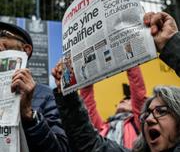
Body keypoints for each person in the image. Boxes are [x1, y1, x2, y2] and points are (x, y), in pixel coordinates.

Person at [52, 11, 180, 152]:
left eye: (160, 111)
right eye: (146, 114)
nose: (149, 118)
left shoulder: (135, 121)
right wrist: (69, 85)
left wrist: (169, 43)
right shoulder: (103, 126)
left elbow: (137, 87)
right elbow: (87, 139)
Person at [0, 21, 70, 152]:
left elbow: (60, 148)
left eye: (3, 34)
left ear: (26, 50)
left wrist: (29, 115)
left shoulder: (46, 95)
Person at [80, 66, 146, 149]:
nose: (123, 101)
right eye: (121, 100)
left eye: (127, 99)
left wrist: (130, 62)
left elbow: (138, 92)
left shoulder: (138, 123)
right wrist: (87, 73)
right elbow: (88, 105)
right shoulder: (102, 127)